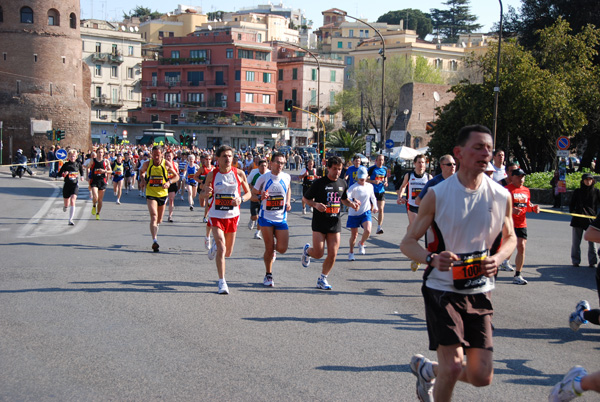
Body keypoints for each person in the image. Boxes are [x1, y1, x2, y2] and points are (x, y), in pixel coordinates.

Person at [400, 124, 517, 402]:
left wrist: (498, 258)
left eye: (488, 148)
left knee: (481, 376)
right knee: (453, 366)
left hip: (479, 289)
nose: (485, 153)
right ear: (459, 153)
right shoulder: (438, 194)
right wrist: (431, 258)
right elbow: (407, 243)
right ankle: (440, 372)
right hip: (442, 289)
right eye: (478, 147)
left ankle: (429, 370)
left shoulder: (501, 196)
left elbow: (511, 238)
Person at [199, 145, 252, 294]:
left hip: (232, 216)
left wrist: (240, 199)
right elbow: (202, 197)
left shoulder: (239, 174)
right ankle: (222, 282)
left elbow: (249, 194)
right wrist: (206, 192)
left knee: (228, 252)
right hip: (216, 215)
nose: (228, 158)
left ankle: (215, 245)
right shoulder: (212, 175)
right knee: (222, 249)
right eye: (224, 156)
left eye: (230, 156)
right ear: (218, 159)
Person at [301, 156, 359, 290]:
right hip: (319, 223)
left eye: (339, 169)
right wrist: (315, 205)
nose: (337, 172)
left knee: (333, 254)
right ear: (328, 168)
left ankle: (322, 278)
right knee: (319, 253)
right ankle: (308, 251)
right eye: (334, 169)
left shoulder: (342, 183)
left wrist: (352, 204)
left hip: (335, 222)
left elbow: (344, 199)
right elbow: (306, 198)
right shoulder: (319, 183)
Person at [252, 152, 292, 287]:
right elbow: (252, 194)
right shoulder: (263, 178)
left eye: (282, 163)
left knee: (282, 248)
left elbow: (288, 189)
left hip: (281, 218)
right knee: (268, 248)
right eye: (278, 162)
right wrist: (260, 197)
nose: (280, 165)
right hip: (266, 217)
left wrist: (287, 202)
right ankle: (268, 275)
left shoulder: (287, 177)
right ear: (271, 163)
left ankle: (273, 251)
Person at [140, 146, 179, 252]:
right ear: (151, 154)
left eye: (158, 155)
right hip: (151, 193)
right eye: (154, 155)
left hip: (162, 194)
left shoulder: (166, 164)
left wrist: (169, 182)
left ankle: (155, 231)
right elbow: (141, 172)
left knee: (159, 220)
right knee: (153, 216)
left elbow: (177, 176)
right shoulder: (147, 164)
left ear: (162, 154)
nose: (156, 157)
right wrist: (143, 179)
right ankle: (154, 240)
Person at [505, 168, 540, 285]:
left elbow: (527, 206)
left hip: (521, 224)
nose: (521, 179)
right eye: (519, 176)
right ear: (513, 177)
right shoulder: (506, 190)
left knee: (521, 247)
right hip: (509, 223)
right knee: (506, 247)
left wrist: (534, 208)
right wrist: (512, 210)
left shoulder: (526, 190)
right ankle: (500, 264)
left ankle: (518, 275)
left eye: (523, 177)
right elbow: (498, 207)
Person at [346, 167, 378, 261]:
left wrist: (375, 206)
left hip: (365, 211)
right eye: (360, 177)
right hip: (354, 213)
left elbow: (373, 197)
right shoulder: (353, 187)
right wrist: (353, 200)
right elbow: (347, 197)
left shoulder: (370, 186)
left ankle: (361, 243)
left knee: (368, 230)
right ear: (357, 177)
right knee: (354, 235)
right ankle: (351, 252)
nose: (362, 179)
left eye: (363, 177)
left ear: (367, 176)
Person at [569, 173, 600, 267]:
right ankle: (575, 260)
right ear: (583, 181)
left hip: (591, 219)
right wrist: (573, 212)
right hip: (578, 219)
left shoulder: (596, 191)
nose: (588, 181)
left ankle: (592, 261)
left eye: (590, 179)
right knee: (576, 242)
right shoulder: (578, 191)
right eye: (586, 179)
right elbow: (571, 204)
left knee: (592, 242)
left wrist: (597, 216)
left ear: (593, 181)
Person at [397, 154, 433, 229]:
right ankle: (411, 239)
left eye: (423, 162)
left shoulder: (428, 177)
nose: (421, 164)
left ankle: (409, 237)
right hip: (411, 204)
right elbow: (403, 186)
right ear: (414, 163)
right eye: (419, 162)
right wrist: (400, 197)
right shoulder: (409, 175)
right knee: (414, 225)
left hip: (424, 205)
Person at [57, 149, 84, 225]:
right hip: (67, 185)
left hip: (74, 185)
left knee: (73, 200)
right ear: (68, 157)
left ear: (76, 157)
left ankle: (70, 219)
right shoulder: (66, 165)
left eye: (74, 156)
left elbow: (81, 171)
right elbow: (59, 174)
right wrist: (64, 174)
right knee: (67, 203)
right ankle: (65, 206)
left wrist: (82, 176)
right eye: (71, 156)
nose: (72, 158)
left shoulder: (78, 164)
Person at [247, 158, 269, 238]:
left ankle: (257, 232)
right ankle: (252, 219)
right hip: (255, 196)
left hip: (264, 198)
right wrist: (254, 189)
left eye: (265, 166)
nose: (263, 167)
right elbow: (247, 183)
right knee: (255, 216)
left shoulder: (269, 173)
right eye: (262, 166)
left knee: (261, 216)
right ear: (258, 166)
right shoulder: (254, 172)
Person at [367, 154, 389, 234]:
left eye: (382, 160)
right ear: (376, 161)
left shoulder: (385, 169)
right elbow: (365, 179)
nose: (380, 161)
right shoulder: (371, 169)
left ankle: (379, 227)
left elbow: (385, 177)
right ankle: (367, 225)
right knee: (370, 210)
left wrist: (386, 182)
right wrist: (373, 181)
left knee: (381, 209)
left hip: (381, 191)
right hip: (372, 191)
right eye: (379, 160)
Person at [89, 148, 112, 220]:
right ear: (96, 153)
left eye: (101, 152)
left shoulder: (106, 161)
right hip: (94, 180)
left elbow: (110, 171)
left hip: (102, 181)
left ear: (103, 153)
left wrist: (104, 171)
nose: (100, 154)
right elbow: (88, 168)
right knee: (95, 197)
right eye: (99, 152)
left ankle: (98, 213)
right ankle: (93, 206)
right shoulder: (93, 160)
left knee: (100, 200)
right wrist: (87, 177)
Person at [164, 150, 178, 223]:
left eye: (170, 156)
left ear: (172, 156)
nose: (168, 157)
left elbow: (177, 175)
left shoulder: (175, 164)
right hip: (164, 183)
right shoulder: (163, 164)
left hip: (172, 183)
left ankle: (170, 216)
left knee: (171, 200)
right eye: (167, 156)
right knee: (163, 200)